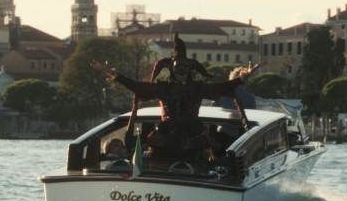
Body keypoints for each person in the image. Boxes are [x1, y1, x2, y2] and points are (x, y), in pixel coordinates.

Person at [90, 59, 261, 159]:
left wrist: (244, 77)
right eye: (178, 68)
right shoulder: (163, 88)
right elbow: (136, 86)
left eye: (184, 68)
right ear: (172, 70)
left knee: (201, 157)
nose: (181, 71)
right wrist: (113, 74)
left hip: (194, 136)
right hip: (165, 135)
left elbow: (225, 86)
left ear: (190, 71)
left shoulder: (198, 88)